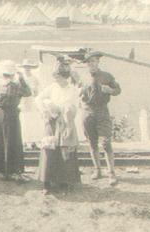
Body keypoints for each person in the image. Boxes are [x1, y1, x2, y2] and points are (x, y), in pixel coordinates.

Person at [36, 56, 81, 193]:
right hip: (52, 121)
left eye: (59, 77)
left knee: (65, 151)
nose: (57, 80)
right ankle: (47, 182)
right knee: (49, 149)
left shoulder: (72, 90)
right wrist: (46, 109)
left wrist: (62, 111)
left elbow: (73, 107)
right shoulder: (52, 87)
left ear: (65, 77)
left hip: (65, 122)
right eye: (55, 77)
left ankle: (64, 182)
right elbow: (38, 99)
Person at [80, 50, 121, 186]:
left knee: (106, 142)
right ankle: (97, 170)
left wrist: (110, 91)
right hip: (87, 111)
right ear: (86, 64)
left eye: (93, 61)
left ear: (98, 62)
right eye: (88, 62)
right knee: (92, 142)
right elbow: (76, 91)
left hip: (102, 111)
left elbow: (118, 90)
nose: (91, 64)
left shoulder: (106, 76)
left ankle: (111, 173)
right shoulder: (82, 77)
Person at [0, 60, 32, 180]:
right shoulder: (15, 86)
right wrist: (22, 79)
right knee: (11, 142)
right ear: (13, 74)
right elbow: (28, 92)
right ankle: (10, 170)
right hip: (11, 115)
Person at [18, 59, 43, 150]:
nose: (27, 69)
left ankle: (33, 141)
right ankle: (24, 141)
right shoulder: (20, 79)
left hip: (31, 101)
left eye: (29, 67)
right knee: (23, 121)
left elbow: (36, 92)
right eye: (25, 67)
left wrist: (32, 92)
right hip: (22, 101)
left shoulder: (34, 78)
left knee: (33, 121)